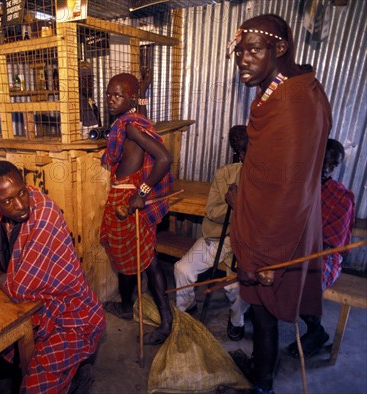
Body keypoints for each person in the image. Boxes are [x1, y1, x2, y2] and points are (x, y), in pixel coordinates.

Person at [225, 14, 332, 393]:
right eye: (239, 51)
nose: (243, 60)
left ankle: (262, 384)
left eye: (253, 50)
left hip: (277, 230)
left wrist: (269, 256)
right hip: (274, 220)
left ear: (279, 48)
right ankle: (265, 366)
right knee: (265, 309)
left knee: (264, 312)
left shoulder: (293, 102)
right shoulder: (285, 88)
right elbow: (271, 168)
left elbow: (287, 188)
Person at [0, 161, 106, 393]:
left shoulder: (44, 214)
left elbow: (19, 287)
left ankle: (77, 375)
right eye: (8, 201)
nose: (21, 204)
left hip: (71, 316)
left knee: (33, 387)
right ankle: (69, 369)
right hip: (36, 310)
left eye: (22, 193)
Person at [100, 72, 174, 345]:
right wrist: (143, 87)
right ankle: (125, 305)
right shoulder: (130, 119)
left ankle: (166, 321)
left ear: (129, 99)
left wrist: (141, 193)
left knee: (148, 260)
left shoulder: (130, 126)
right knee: (127, 257)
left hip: (129, 201)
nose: (110, 99)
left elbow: (165, 158)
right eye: (108, 93)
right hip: (123, 197)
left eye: (117, 95)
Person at [173, 125, 249, 341]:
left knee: (237, 287)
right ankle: (186, 310)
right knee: (182, 268)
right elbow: (212, 212)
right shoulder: (225, 174)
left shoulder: (265, 181)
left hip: (242, 245)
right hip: (217, 238)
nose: (242, 152)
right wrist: (231, 205)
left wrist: (241, 205)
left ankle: (237, 321)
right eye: (239, 149)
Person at [286, 138, 355, 358]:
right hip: (292, 246)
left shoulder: (341, 197)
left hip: (323, 255)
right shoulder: (297, 187)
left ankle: (316, 331)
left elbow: (330, 243)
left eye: (333, 164)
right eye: (323, 160)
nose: (327, 168)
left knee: (305, 281)